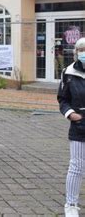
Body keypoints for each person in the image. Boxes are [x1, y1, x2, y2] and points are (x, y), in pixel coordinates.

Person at [58, 37, 85, 217]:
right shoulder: (68, 72)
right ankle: (71, 204)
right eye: (81, 49)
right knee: (76, 166)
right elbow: (63, 99)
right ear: (76, 52)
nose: (83, 52)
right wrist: (69, 113)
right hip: (78, 125)